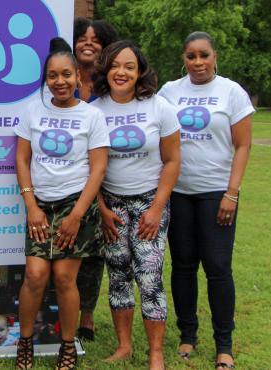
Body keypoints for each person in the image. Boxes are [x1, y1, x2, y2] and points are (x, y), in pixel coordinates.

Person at [158, 31, 254, 370]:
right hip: (179, 192)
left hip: (217, 193)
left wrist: (232, 192)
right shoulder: (169, 92)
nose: (197, 62)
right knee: (183, 265)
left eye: (204, 55)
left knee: (217, 267)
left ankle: (223, 344)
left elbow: (242, 145)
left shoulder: (231, 92)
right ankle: (188, 335)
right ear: (183, 58)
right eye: (191, 56)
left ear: (215, 56)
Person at [14, 41, 110, 370]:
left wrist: (77, 215)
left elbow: (98, 168)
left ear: (78, 76)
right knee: (35, 274)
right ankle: (24, 342)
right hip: (41, 204)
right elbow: (22, 159)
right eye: (52, 76)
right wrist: (31, 205)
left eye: (66, 74)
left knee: (65, 280)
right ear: (46, 79)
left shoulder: (92, 116)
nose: (60, 82)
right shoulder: (33, 111)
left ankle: (67, 347)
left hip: (76, 205)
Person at [90, 40, 181, 369]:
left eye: (129, 66)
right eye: (115, 65)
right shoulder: (95, 110)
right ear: (106, 69)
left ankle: (156, 352)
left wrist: (156, 209)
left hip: (149, 203)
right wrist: (101, 210)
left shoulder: (160, 108)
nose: (121, 72)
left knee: (150, 277)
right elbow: (90, 169)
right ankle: (124, 345)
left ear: (140, 71)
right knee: (117, 275)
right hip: (111, 205)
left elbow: (172, 162)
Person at [73, 16, 119, 342]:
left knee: (94, 255)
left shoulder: (112, 87)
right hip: (67, 180)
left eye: (96, 39)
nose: (89, 43)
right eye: (82, 38)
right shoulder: (59, 80)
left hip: (106, 180)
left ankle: (86, 316)